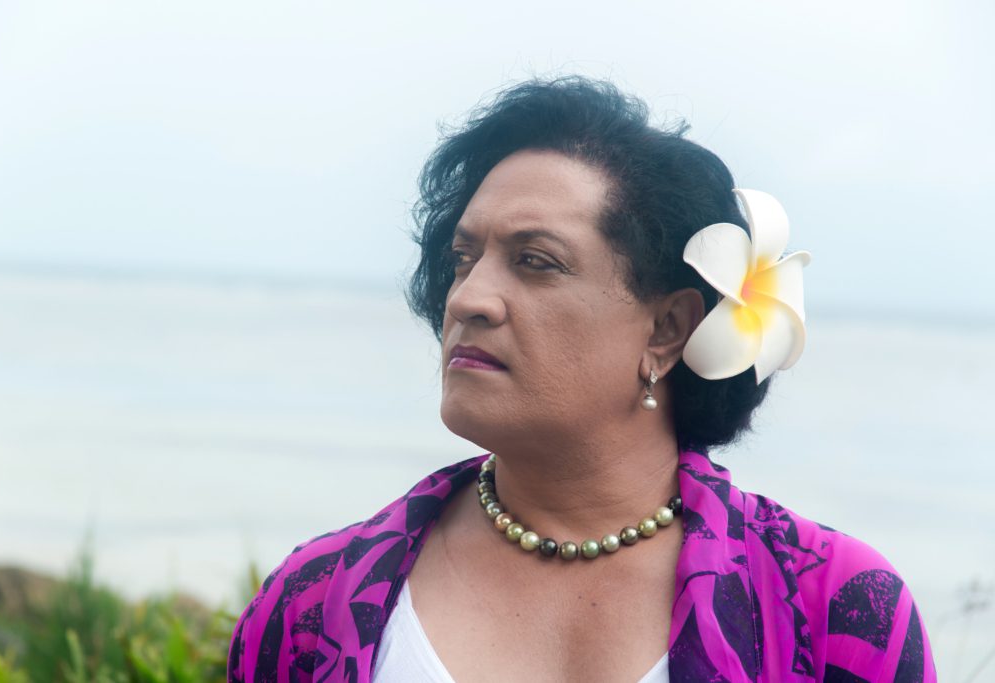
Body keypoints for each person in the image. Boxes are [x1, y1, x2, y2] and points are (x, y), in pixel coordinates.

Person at [227, 77, 936, 682]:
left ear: (667, 329)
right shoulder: (314, 602)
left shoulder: (834, 604)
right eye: (464, 257)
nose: (469, 297)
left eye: (535, 261)